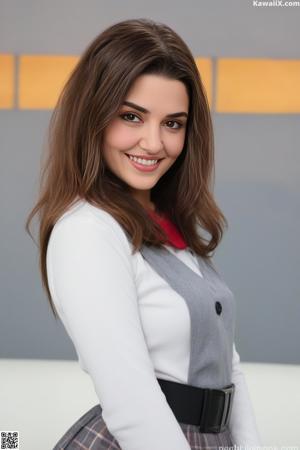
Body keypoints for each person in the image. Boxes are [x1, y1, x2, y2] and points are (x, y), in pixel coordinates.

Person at [26, 18, 262, 450]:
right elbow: (131, 402)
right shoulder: (87, 231)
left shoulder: (171, 222)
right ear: (93, 116)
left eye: (173, 123)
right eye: (131, 116)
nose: (153, 143)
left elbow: (230, 367)